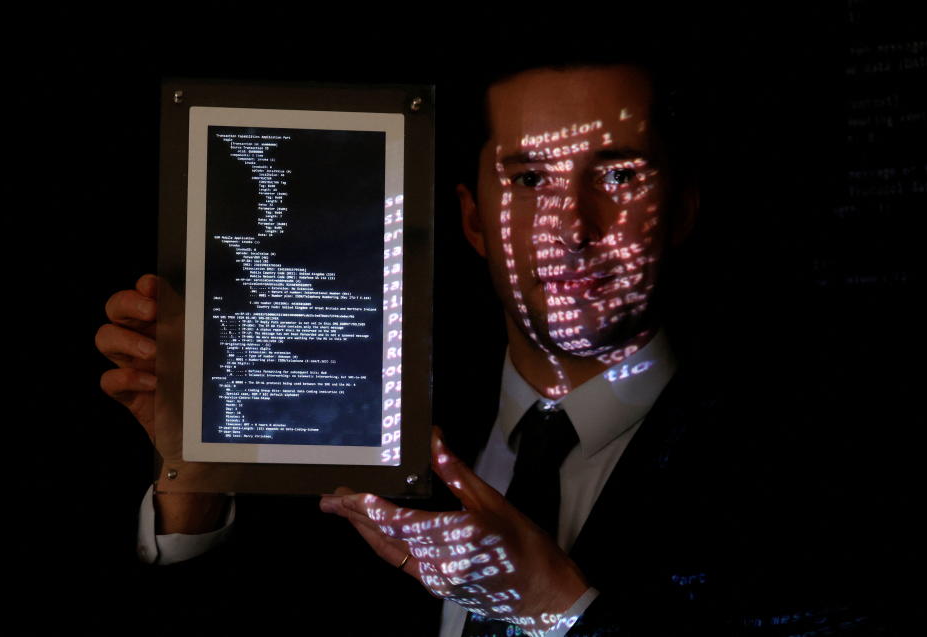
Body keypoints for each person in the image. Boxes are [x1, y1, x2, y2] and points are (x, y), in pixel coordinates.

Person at [98, 62, 879, 635]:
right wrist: (192, 485)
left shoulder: (818, 462)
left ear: (681, 210)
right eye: (529, 178)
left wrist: (559, 608)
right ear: (473, 222)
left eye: (619, 173)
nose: (571, 226)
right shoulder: (353, 436)